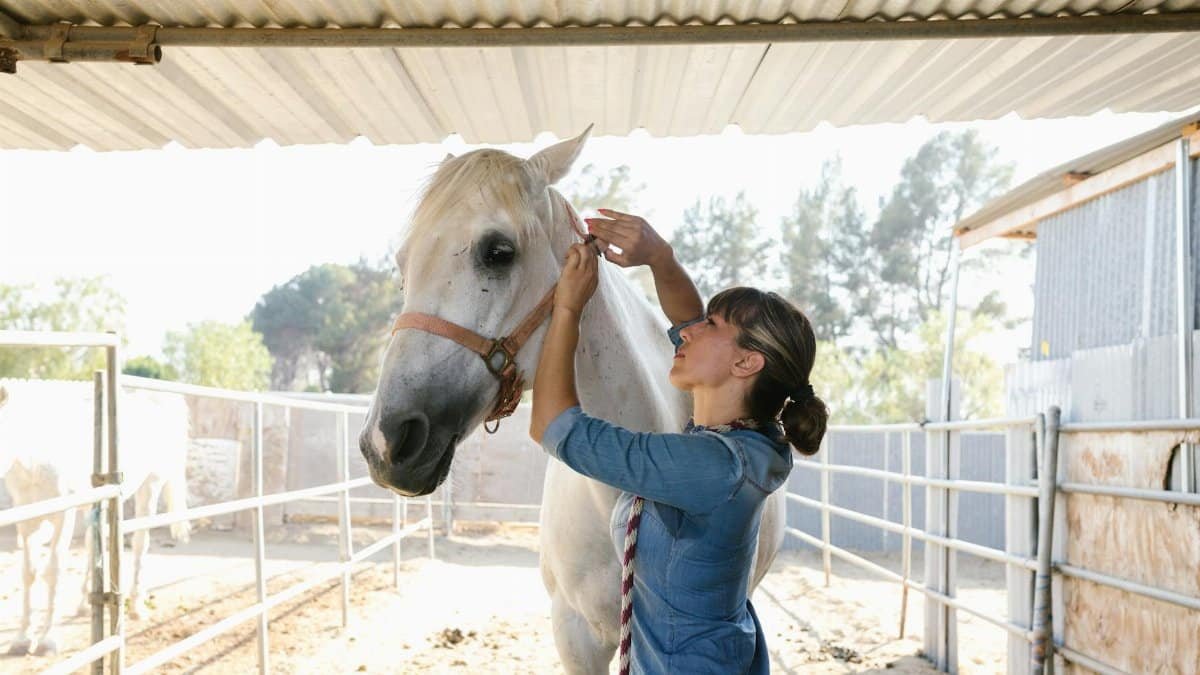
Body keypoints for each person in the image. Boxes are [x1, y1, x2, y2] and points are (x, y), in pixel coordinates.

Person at [530, 208, 829, 674]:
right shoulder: (750, 442)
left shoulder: (711, 466)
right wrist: (659, 258)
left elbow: (552, 424)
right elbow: (685, 316)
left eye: (711, 326)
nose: (688, 330)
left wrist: (568, 308)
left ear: (746, 365)